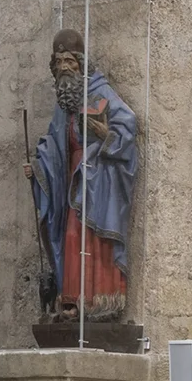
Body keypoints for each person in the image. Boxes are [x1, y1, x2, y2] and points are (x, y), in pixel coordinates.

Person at [29, 29, 139, 325]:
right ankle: (71, 301)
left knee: (90, 238)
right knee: (70, 237)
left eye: (70, 60)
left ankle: (98, 303)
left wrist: (105, 135)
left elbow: (127, 126)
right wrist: (38, 165)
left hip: (96, 179)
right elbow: (53, 144)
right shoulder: (64, 103)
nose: (65, 66)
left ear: (80, 63)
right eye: (59, 61)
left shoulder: (100, 92)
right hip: (70, 180)